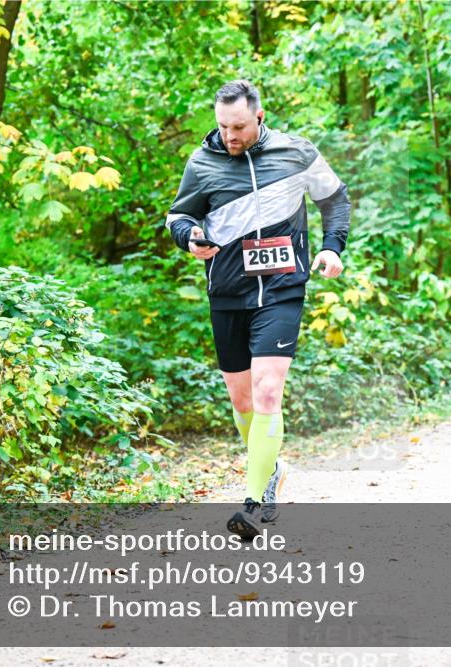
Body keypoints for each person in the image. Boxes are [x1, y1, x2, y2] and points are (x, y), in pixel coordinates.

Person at [166, 80, 351, 538]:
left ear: (259, 117)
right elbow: (179, 216)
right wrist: (190, 238)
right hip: (229, 292)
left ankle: (251, 504)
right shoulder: (202, 162)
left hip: (284, 288)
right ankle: (271, 467)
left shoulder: (296, 153)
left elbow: (334, 197)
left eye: (239, 127)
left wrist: (332, 246)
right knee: (243, 400)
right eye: (223, 127)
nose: (230, 136)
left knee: (268, 391)